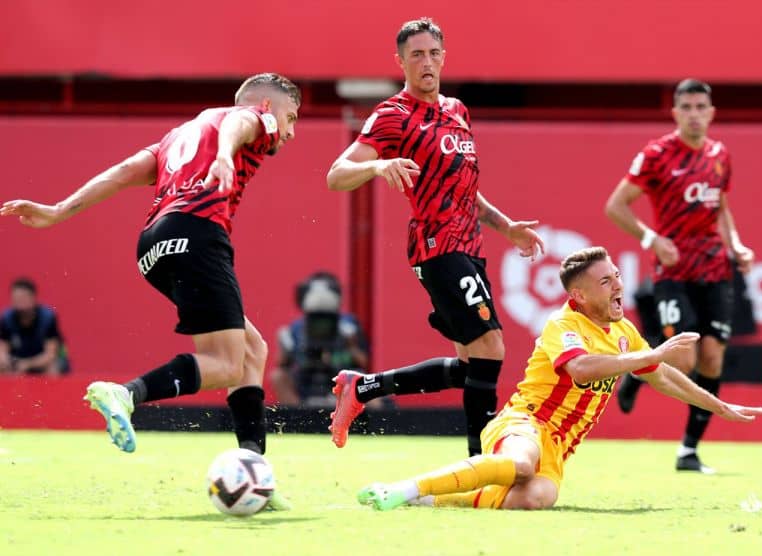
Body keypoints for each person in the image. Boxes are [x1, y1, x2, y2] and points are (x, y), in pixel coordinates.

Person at [0, 73, 300, 509]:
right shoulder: (251, 118)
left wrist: (59, 210)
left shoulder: (180, 135)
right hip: (198, 233)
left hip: (153, 245)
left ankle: (253, 468)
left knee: (252, 350)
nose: (290, 132)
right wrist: (223, 155)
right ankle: (127, 393)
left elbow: (123, 172)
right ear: (269, 107)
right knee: (228, 364)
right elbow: (241, 124)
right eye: (291, 118)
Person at [356, 247, 762, 511]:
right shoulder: (562, 324)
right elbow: (580, 368)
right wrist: (649, 355)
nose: (618, 286)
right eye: (605, 282)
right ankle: (405, 488)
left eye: (617, 277)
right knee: (520, 463)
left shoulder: (624, 333)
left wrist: (718, 405)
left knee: (536, 498)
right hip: (525, 423)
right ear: (580, 296)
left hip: (559, 447)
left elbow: (662, 377)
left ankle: (432, 498)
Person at [325, 18, 544, 456]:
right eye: (417, 55)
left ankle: (362, 387)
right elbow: (336, 175)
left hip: (470, 247)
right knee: (492, 347)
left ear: (444, 56)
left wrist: (506, 226)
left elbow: (464, 188)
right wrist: (375, 166)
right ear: (401, 61)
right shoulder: (392, 115)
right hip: (436, 245)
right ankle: (480, 463)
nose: (427, 62)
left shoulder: (457, 110)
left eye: (433, 53)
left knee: (472, 366)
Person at [604, 78, 755, 474]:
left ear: (711, 112)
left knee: (712, 358)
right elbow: (616, 206)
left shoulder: (720, 155)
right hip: (673, 270)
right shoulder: (656, 154)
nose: (694, 114)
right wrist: (653, 240)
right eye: (686, 107)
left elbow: (721, 208)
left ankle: (688, 451)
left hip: (715, 269)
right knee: (684, 357)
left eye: (700, 107)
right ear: (675, 113)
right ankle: (639, 369)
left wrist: (736, 245)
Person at [270, 271, 371, 408]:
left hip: (342, 381)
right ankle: (298, 418)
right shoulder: (296, 328)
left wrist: (350, 345)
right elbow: (282, 364)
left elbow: (363, 362)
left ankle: (363, 420)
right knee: (278, 376)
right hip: (305, 381)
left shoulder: (349, 325)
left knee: (365, 381)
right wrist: (284, 346)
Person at [0, 277, 69, 375]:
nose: (19, 301)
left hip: (41, 362)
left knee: (53, 368)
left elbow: (50, 355)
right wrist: (8, 362)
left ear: (33, 298)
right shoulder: (7, 319)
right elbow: (2, 350)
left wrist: (27, 364)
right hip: (18, 362)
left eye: (23, 297)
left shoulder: (48, 318)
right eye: (16, 298)